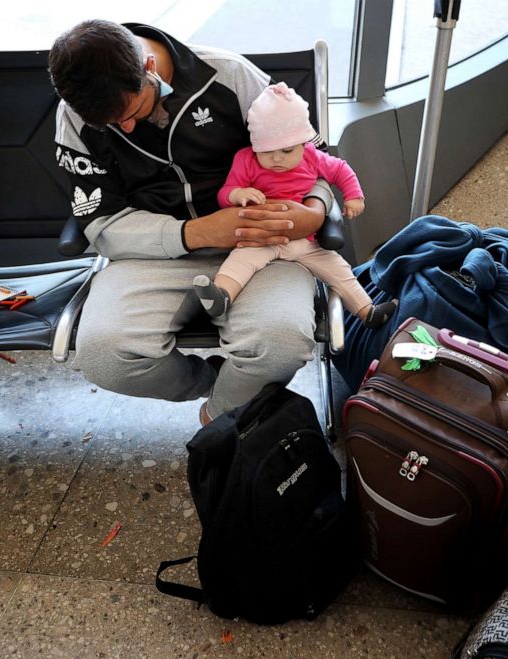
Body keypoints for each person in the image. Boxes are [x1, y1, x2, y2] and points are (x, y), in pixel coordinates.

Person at [48, 19, 335, 425]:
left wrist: (317, 208)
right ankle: (226, 387)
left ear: (148, 66)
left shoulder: (231, 76)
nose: (125, 129)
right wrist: (194, 233)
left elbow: (318, 163)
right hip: (149, 256)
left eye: (131, 113)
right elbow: (101, 222)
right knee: (104, 358)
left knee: (281, 342)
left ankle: (216, 417)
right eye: (110, 126)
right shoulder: (75, 115)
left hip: (261, 246)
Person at [192, 82, 398, 329]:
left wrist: (354, 196)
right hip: (261, 239)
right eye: (267, 152)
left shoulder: (312, 156)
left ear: (302, 143)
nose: (277, 158)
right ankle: (221, 298)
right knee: (238, 263)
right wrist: (238, 194)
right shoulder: (246, 159)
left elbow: (341, 169)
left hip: (304, 240)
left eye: (287, 151)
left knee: (337, 268)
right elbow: (224, 194)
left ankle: (367, 311)